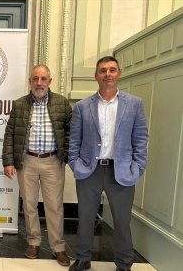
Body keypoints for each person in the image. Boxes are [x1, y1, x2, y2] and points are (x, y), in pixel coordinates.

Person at [68, 56, 148, 271]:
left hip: (121, 171)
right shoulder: (83, 107)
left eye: (112, 70)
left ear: (119, 73)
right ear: (96, 76)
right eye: (103, 70)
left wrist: (138, 167)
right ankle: (83, 259)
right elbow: (73, 140)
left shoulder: (134, 104)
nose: (108, 74)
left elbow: (140, 138)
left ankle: (123, 264)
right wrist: (75, 164)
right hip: (89, 171)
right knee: (85, 218)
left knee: (122, 222)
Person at [2, 64, 72, 266]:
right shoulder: (19, 104)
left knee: (54, 207)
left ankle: (58, 247)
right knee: (30, 204)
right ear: (30, 82)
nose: (39, 83)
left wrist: (65, 155)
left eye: (43, 79)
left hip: (53, 161)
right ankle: (33, 241)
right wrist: (8, 161)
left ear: (50, 81)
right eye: (35, 79)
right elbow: (9, 134)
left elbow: (70, 131)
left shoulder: (62, 103)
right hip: (27, 161)